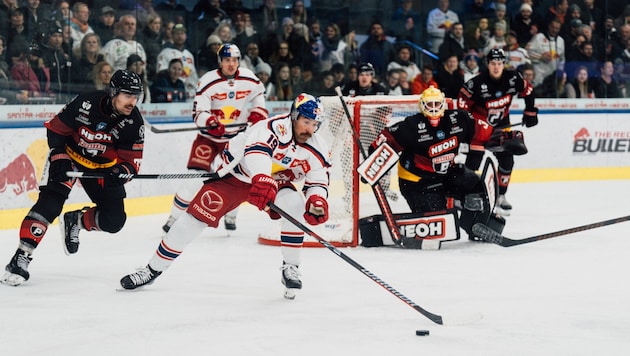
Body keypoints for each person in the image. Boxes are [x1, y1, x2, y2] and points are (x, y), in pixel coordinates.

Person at [119, 93, 331, 299]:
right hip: (236, 176)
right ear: (294, 116)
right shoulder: (273, 128)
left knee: (294, 205)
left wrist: (317, 200)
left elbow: (319, 180)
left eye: (315, 124)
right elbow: (257, 153)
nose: (310, 129)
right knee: (191, 221)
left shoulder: (317, 146)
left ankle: (291, 267)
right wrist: (263, 178)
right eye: (306, 122)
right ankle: (151, 270)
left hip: (272, 182)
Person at [1, 70, 145, 286]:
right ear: (113, 92)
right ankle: (21, 257)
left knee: (114, 221)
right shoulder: (86, 103)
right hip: (70, 158)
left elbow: (132, 162)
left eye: (136, 96)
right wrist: (58, 156)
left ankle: (75, 220)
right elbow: (56, 130)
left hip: (102, 168)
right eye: (127, 95)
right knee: (50, 203)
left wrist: (121, 173)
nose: (132, 102)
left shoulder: (134, 123)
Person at [161, 44, 268, 234]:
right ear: (220, 61)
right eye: (227, 60)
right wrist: (209, 121)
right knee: (193, 179)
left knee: (238, 178)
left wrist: (258, 111)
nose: (231, 64)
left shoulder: (249, 77)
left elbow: (260, 94)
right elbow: (198, 111)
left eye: (235, 60)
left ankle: (231, 216)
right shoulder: (207, 80)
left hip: (236, 138)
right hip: (209, 138)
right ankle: (173, 217)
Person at [368, 86, 491, 241]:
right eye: (429, 105)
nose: (433, 109)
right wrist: (372, 167)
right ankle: (444, 209)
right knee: (438, 221)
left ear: (443, 105)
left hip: (445, 175)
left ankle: (474, 225)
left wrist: (503, 138)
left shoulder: (458, 119)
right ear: (422, 106)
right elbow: (385, 141)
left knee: (476, 186)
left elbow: (482, 130)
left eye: (437, 104)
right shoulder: (411, 126)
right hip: (417, 182)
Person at [457, 48, 538, 216]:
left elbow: (528, 90)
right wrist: (470, 126)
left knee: (507, 160)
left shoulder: (513, 78)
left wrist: (530, 111)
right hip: (479, 127)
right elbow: (462, 105)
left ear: (503, 64)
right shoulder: (475, 83)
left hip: (501, 125)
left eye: (499, 63)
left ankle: (501, 196)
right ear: (487, 64)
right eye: (493, 63)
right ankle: (462, 196)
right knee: (474, 161)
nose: (496, 67)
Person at [155, 23, 198, 100]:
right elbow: (161, 73)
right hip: (174, 94)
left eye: (182, 33)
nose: (180, 36)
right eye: (177, 33)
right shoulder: (165, 53)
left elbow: (193, 75)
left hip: (191, 94)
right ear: (172, 35)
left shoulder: (189, 55)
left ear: (186, 36)